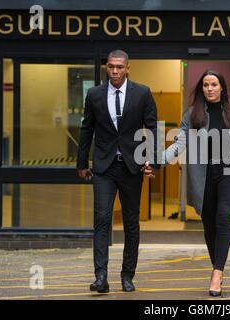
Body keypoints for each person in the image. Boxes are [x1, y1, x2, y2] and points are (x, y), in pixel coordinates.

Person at [143, 70, 230, 297]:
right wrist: (158, 161)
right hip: (203, 176)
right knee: (209, 225)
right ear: (201, 89)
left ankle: (217, 273)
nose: (210, 89)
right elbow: (179, 144)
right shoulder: (191, 115)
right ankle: (219, 267)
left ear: (222, 87)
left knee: (224, 217)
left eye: (214, 84)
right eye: (206, 85)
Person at [77, 49, 159, 293]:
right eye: (111, 66)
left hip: (131, 167)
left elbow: (153, 127)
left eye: (119, 67)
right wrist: (82, 163)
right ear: (107, 67)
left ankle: (127, 275)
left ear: (127, 68)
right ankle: (100, 276)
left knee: (131, 223)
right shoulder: (94, 94)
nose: (114, 71)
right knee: (101, 220)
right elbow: (86, 129)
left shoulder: (142, 93)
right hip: (104, 167)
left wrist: (152, 161)